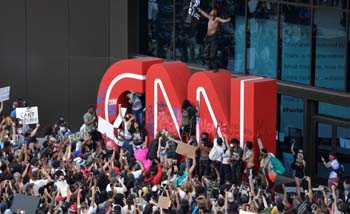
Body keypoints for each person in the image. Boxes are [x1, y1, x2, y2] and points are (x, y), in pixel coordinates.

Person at [197, 7, 231, 71]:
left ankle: (215, 67)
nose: (211, 16)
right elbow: (204, 14)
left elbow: (222, 20)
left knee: (213, 54)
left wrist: (227, 20)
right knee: (206, 53)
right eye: (211, 15)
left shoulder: (216, 19)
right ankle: (209, 66)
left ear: (215, 15)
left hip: (213, 38)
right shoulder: (210, 18)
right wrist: (200, 10)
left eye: (213, 15)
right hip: (208, 37)